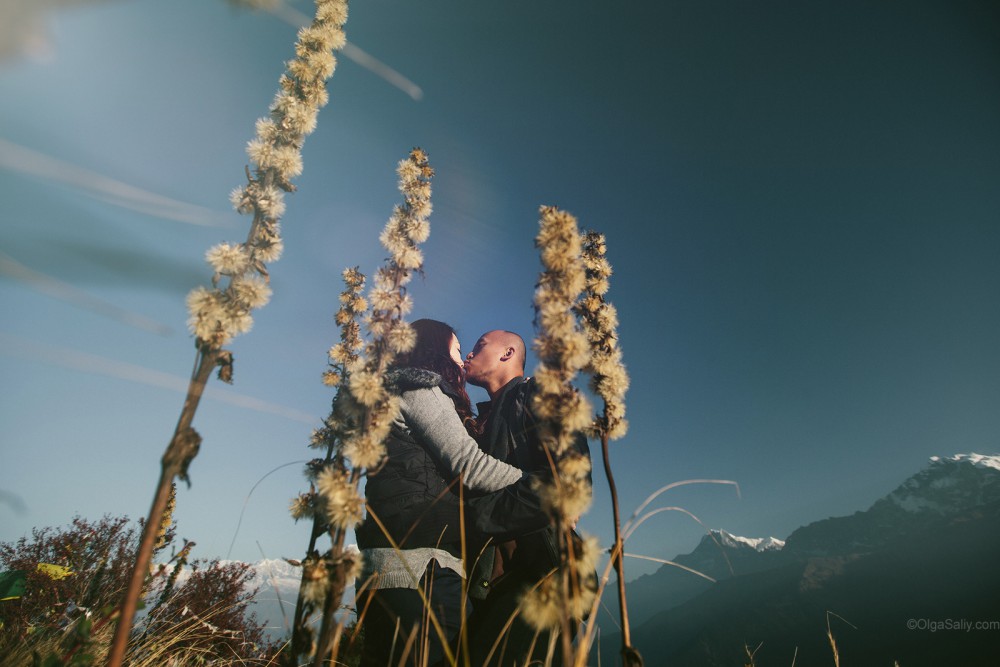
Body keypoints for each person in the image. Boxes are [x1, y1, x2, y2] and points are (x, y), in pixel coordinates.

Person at [353, 319, 527, 667]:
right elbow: (470, 466)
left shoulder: (388, 396)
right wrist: (541, 487)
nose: (464, 357)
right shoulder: (419, 390)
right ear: (437, 345)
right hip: (421, 569)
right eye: (459, 348)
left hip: (387, 569)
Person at [461, 329, 594, 667]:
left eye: (479, 347)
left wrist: (471, 516)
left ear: (507, 354)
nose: (469, 356)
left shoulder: (536, 394)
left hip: (541, 579)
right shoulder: (483, 419)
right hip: (495, 586)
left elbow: (567, 482)